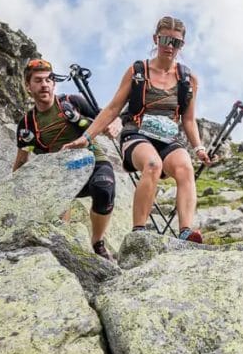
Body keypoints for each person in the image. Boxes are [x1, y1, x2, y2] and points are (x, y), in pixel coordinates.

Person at [63, 16, 210, 242]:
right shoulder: (137, 71)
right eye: (165, 40)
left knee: (185, 167)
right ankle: (139, 232)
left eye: (176, 43)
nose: (170, 47)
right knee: (152, 164)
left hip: (168, 138)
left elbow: (188, 120)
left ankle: (186, 232)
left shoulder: (188, 79)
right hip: (136, 133)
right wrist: (87, 136)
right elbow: (113, 108)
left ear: (182, 45)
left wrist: (198, 147)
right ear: (155, 39)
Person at [13, 58, 121, 262]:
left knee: (104, 187)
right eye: (38, 80)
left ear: (54, 83)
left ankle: (98, 243)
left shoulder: (73, 102)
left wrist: (115, 124)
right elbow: (21, 160)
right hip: (61, 174)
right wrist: (16, 188)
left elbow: (108, 115)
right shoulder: (27, 124)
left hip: (93, 160)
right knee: (58, 203)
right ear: (28, 86)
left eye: (48, 79)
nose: (44, 84)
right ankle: (64, 244)